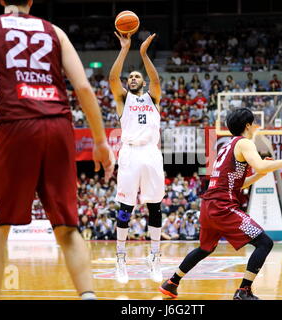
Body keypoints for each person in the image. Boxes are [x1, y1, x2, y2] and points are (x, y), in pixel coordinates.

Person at [0, 0, 114, 300]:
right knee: (68, 228)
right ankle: (88, 296)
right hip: (59, 125)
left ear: (2, 0)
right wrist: (100, 141)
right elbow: (83, 88)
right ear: (31, 1)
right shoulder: (54, 31)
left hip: (15, 125)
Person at [160, 108, 282, 300]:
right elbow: (259, 164)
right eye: (254, 123)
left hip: (209, 205)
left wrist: (259, 174)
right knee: (264, 243)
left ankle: (172, 282)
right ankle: (244, 290)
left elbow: (237, 183)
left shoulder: (227, 146)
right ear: (248, 125)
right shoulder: (244, 143)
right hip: (223, 207)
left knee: (205, 248)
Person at [109, 31, 165, 284]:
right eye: (130, 76)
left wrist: (143, 54)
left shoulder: (153, 97)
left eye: (136, 76)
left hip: (151, 152)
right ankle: (120, 257)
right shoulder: (123, 99)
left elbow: (155, 78)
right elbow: (112, 78)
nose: (132, 78)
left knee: (155, 206)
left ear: (142, 82)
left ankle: (155, 255)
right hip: (130, 152)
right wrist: (125, 48)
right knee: (125, 208)